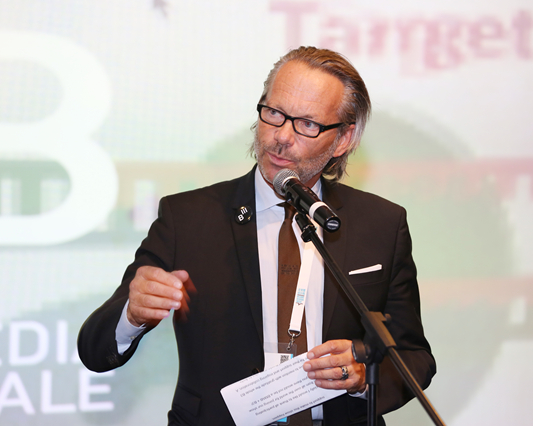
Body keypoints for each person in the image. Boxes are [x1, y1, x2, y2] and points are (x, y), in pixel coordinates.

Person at [78, 46, 435, 426]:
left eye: (307, 124)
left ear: (343, 139)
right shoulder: (188, 218)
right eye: (274, 113)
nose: (281, 136)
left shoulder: (380, 223)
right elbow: (95, 351)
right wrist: (131, 315)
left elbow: (414, 357)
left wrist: (363, 379)